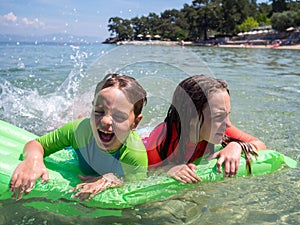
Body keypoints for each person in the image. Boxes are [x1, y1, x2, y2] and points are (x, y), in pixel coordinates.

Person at [10, 73, 148, 201]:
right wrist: (33, 160)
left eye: (119, 116)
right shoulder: (78, 131)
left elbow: (133, 187)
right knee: (58, 127)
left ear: (135, 122)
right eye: (99, 111)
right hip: (80, 139)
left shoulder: (135, 154)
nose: (106, 121)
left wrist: (111, 179)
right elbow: (36, 144)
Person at [145, 75, 266, 183]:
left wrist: (237, 146)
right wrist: (168, 169)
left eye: (227, 115)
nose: (228, 124)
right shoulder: (163, 137)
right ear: (191, 117)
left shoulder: (222, 128)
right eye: (219, 116)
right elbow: (145, 172)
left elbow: (260, 144)